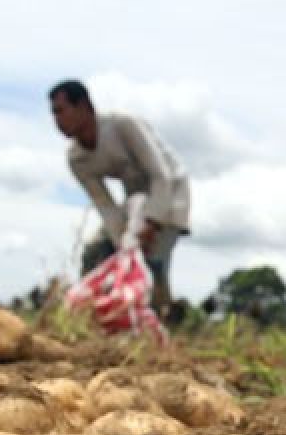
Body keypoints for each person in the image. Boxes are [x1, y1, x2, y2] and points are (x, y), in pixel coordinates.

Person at [49, 80, 190, 320]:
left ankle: (159, 319)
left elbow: (160, 174)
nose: (57, 120)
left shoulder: (123, 126)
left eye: (61, 111)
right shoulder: (77, 159)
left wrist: (152, 224)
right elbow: (105, 205)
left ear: (83, 106)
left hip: (169, 193)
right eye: (53, 113)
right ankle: (94, 316)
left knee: (153, 260)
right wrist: (121, 242)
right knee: (98, 252)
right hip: (134, 202)